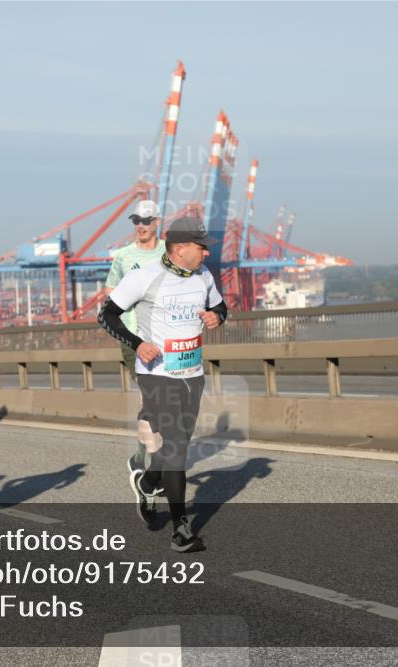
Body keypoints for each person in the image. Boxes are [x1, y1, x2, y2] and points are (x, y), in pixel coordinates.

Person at [98, 216, 227, 553]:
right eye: (201, 247)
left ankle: (148, 481)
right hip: (156, 374)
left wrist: (217, 316)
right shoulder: (144, 277)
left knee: (176, 446)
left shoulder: (204, 276)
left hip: (192, 374)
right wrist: (137, 343)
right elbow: (106, 315)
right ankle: (181, 530)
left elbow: (220, 306)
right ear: (180, 249)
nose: (206, 253)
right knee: (177, 450)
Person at [104, 200, 168, 475]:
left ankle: (141, 455)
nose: (140, 226)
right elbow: (110, 291)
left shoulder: (170, 251)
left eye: (145, 221)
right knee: (150, 397)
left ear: (156, 222)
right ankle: (156, 460)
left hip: (165, 336)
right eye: (136, 221)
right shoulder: (123, 257)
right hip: (134, 337)